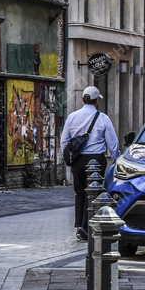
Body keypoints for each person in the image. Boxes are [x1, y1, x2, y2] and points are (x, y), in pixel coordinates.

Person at [60, 85, 119, 240]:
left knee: (79, 193)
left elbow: (64, 140)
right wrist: (116, 160)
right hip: (96, 160)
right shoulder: (103, 118)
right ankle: (88, 228)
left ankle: (79, 227)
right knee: (93, 194)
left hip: (78, 160)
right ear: (96, 101)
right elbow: (112, 143)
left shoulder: (72, 117)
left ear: (83, 99)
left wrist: (68, 160)